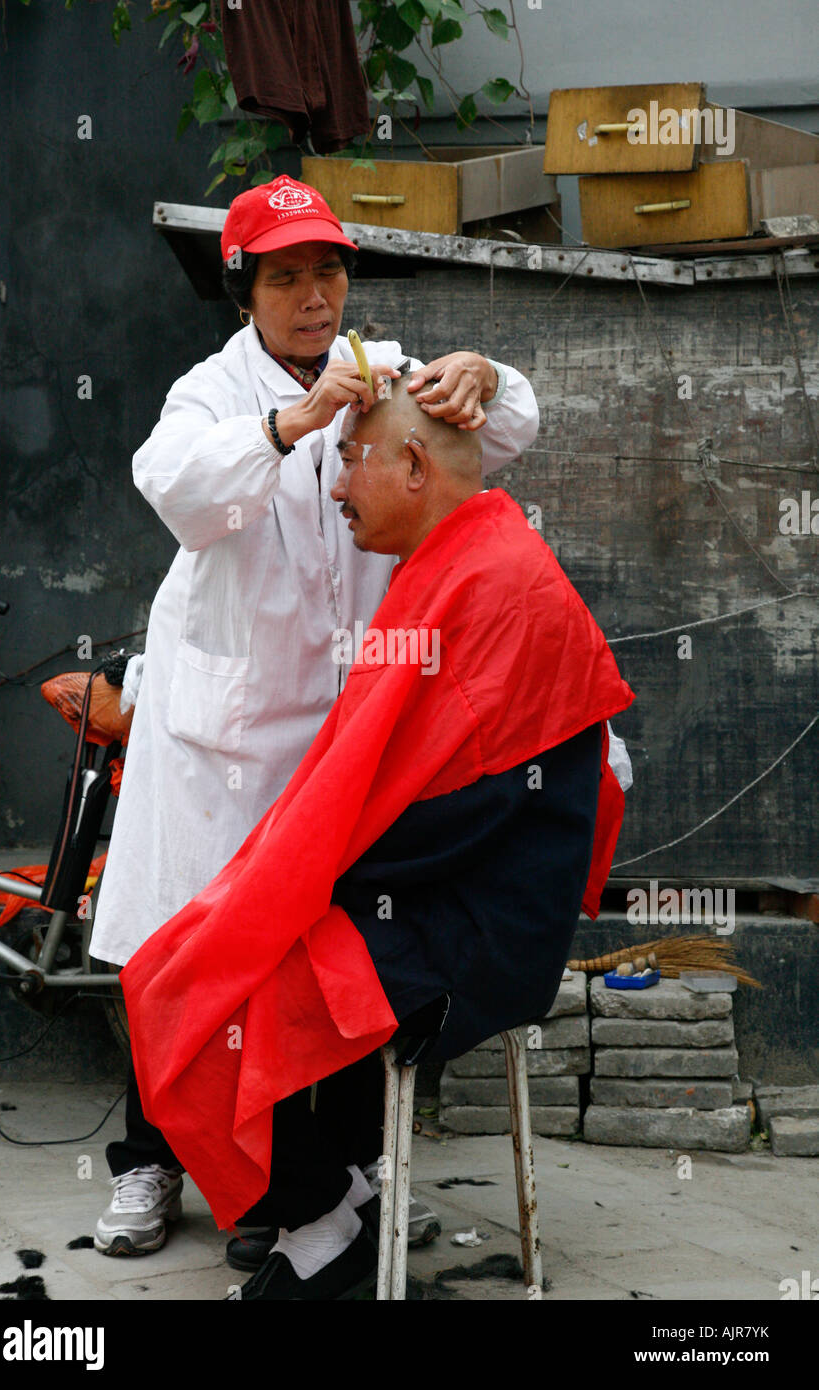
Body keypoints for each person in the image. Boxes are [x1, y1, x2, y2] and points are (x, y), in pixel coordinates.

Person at [88, 174, 541, 1258]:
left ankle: (320, 1183)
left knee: (321, 960)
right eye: (286, 275)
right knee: (179, 955)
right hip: (221, 740)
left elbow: (506, 427)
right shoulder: (209, 391)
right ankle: (151, 1163)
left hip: (340, 740)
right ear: (246, 289)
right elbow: (181, 490)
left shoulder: (386, 373)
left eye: (328, 271)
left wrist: (486, 374)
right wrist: (295, 420)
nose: (312, 295)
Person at [119, 371, 635, 1299]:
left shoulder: (493, 580)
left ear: (409, 464)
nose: (336, 486)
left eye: (349, 461)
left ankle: (321, 1221)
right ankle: (334, 1195)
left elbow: (480, 808)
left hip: (478, 928)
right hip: (446, 890)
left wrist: (309, 875)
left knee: (208, 989)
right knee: (187, 959)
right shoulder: (459, 558)